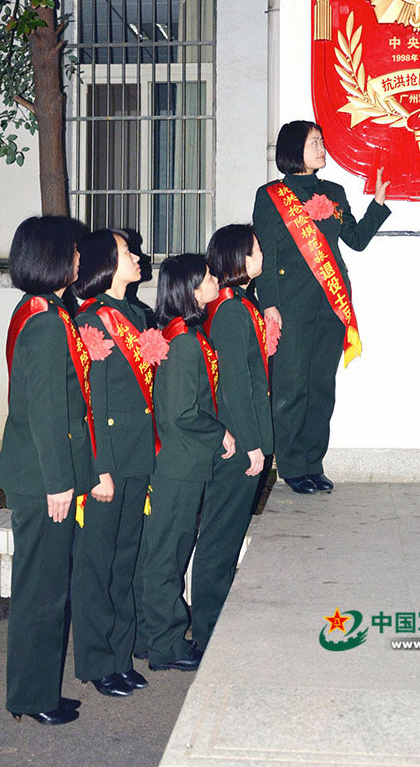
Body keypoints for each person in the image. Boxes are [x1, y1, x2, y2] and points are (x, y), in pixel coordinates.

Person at [0, 216, 99, 725]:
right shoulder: (44, 320)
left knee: (44, 587)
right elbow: (45, 411)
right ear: (53, 257)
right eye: (74, 251)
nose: (80, 258)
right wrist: (60, 482)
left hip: (40, 474)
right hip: (42, 480)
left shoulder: (42, 310)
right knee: (41, 592)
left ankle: (35, 691)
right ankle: (33, 698)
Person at [252, 120, 391, 494]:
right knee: (291, 389)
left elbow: (357, 240)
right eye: (315, 142)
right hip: (291, 308)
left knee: (320, 388)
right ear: (294, 148)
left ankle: (314, 463)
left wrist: (377, 204)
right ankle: (294, 467)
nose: (322, 147)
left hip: (331, 306)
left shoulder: (334, 192)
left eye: (322, 141)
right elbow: (266, 253)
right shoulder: (271, 196)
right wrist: (271, 305)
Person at [71, 229, 156, 697]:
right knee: (96, 565)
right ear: (106, 261)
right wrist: (99, 467)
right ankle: (97, 662)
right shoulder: (91, 319)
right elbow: (91, 400)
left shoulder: (137, 315)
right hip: (109, 462)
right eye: (127, 252)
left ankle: (121, 656)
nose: (137, 257)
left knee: (127, 561)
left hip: (138, 454)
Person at [142, 254, 235, 671]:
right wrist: (221, 434)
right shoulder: (182, 343)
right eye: (209, 277)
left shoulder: (187, 335)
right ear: (191, 289)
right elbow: (182, 413)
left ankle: (154, 639)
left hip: (185, 464)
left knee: (168, 553)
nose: (216, 280)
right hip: (177, 467)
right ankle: (166, 647)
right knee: (167, 557)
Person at [194, 224, 274, 650]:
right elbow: (236, 387)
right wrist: (252, 443)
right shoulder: (228, 311)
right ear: (239, 259)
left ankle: (216, 624)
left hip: (247, 441)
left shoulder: (242, 304)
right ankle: (207, 630)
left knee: (227, 535)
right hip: (239, 448)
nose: (261, 253)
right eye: (256, 248)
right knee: (219, 538)